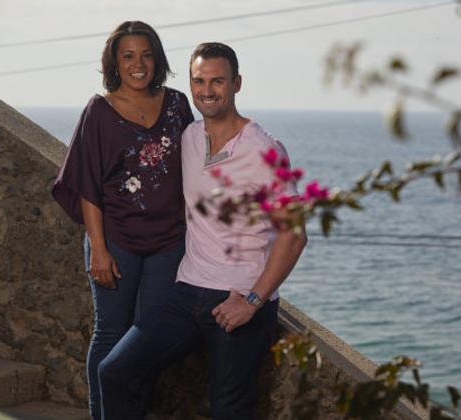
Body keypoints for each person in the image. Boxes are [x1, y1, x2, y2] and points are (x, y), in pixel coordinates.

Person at [98, 42, 308, 419]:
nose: (207, 90)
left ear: (236, 83)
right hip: (186, 291)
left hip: (239, 297)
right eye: (199, 81)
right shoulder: (190, 138)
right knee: (116, 370)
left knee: (229, 410)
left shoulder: (266, 150)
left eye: (217, 81)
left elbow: (294, 235)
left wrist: (253, 301)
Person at [51, 21, 193, 419]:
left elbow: (198, 165)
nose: (138, 64)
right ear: (114, 62)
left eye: (146, 55)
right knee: (110, 333)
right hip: (115, 239)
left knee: (145, 341)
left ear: (157, 59)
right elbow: (87, 185)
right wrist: (98, 249)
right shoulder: (99, 111)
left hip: (169, 242)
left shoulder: (178, 105)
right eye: (128, 56)